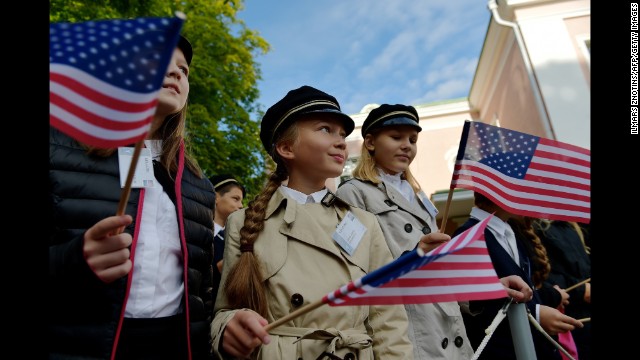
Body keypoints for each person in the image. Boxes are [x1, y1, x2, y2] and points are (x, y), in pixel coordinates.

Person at [210, 85, 414, 359]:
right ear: (286, 147)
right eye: (325, 129)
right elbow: (224, 311)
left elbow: (388, 319)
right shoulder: (243, 222)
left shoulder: (365, 222)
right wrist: (229, 328)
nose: (341, 141)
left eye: (342, 134)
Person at [49, 35, 216, 360]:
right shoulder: (57, 147)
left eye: (183, 69)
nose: (177, 73)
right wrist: (71, 260)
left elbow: (203, 292)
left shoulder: (200, 186)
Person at [335, 104, 473, 359]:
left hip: (447, 318)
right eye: (396, 137)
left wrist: (483, 291)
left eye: (412, 139)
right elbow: (354, 267)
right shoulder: (352, 192)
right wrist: (415, 255)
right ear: (370, 142)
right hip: (408, 323)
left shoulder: (419, 196)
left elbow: (441, 268)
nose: (407, 145)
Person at [453, 192, 583, 360]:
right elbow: (473, 305)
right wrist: (536, 314)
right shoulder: (466, 237)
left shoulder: (510, 230)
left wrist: (547, 298)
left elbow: (527, 289)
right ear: (499, 190)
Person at [533, 219, 591, 360]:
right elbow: (543, 279)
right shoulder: (538, 229)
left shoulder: (569, 224)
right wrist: (582, 290)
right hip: (568, 320)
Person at [208, 174, 245, 301]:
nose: (241, 206)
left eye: (242, 201)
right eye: (236, 199)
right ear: (215, 197)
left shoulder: (234, 236)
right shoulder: (201, 232)